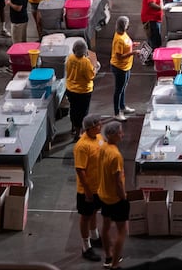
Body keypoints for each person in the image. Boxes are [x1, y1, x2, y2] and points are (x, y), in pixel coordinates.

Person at [73, 114, 107, 261]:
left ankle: (95, 237)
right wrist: (87, 190)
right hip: (87, 189)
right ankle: (86, 247)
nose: (101, 126)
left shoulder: (99, 138)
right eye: (98, 124)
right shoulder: (82, 146)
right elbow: (80, 170)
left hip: (99, 186)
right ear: (90, 127)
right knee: (85, 217)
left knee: (94, 211)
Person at [96, 120, 129, 269]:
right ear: (113, 135)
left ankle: (108, 257)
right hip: (115, 198)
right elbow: (118, 181)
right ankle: (115, 264)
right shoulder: (116, 156)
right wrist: (123, 197)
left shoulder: (103, 147)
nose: (123, 134)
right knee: (122, 230)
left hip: (103, 194)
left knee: (106, 226)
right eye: (120, 132)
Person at [65, 39, 99, 138]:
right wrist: (95, 67)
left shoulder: (70, 58)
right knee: (83, 112)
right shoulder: (86, 63)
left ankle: (73, 127)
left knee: (73, 109)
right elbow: (91, 76)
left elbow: (68, 69)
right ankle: (78, 133)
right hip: (83, 92)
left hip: (71, 89)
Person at [110, 16, 136, 118]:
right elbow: (119, 56)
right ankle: (117, 112)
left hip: (126, 66)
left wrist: (132, 45)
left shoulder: (123, 34)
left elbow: (126, 44)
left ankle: (123, 106)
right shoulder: (118, 39)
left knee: (123, 87)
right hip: (119, 68)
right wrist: (133, 53)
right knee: (118, 90)